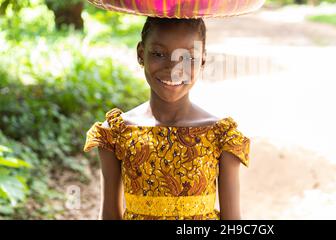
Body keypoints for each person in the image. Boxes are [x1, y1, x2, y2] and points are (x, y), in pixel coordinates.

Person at [83, 17, 250, 220]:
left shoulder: (221, 136)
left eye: (187, 58)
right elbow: (109, 215)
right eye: (159, 54)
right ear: (140, 54)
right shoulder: (116, 133)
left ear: (202, 60)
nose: (173, 68)